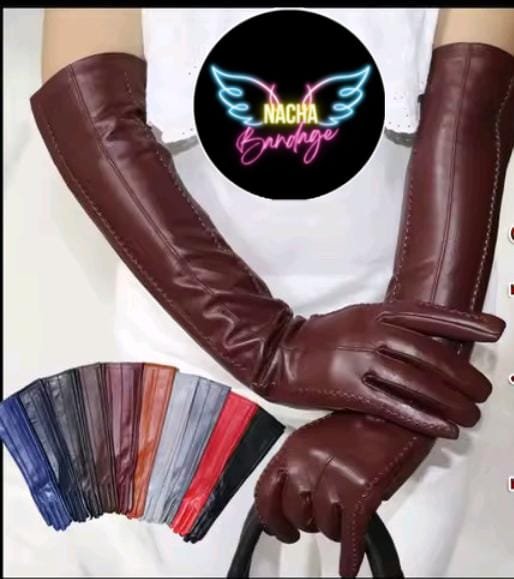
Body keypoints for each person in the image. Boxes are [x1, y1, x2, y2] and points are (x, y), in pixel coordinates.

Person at [34, 7, 514, 577]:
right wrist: (270, 348)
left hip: (409, 340)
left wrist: (404, 397)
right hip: (189, 347)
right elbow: (87, 112)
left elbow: (471, 116)